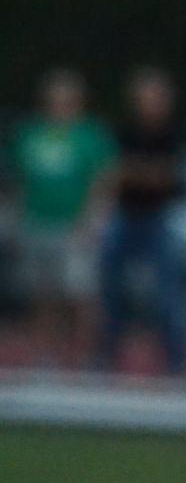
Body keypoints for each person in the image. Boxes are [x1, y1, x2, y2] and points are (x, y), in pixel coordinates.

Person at [7, 68, 116, 366]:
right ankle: (44, 356)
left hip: (74, 225)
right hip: (37, 222)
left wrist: (93, 220)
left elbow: (104, 180)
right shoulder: (30, 134)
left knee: (80, 293)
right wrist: (16, 221)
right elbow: (19, 181)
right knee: (42, 294)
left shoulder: (89, 136)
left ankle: (87, 356)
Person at [97, 66, 186, 375]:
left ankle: (177, 361)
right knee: (111, 285)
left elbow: (167, 178)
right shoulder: (126, 131)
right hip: (126, 215)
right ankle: (107, 354)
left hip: (158, 218)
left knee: (169, 294)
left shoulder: (173, 133)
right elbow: (116, 173)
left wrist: (138, 173)